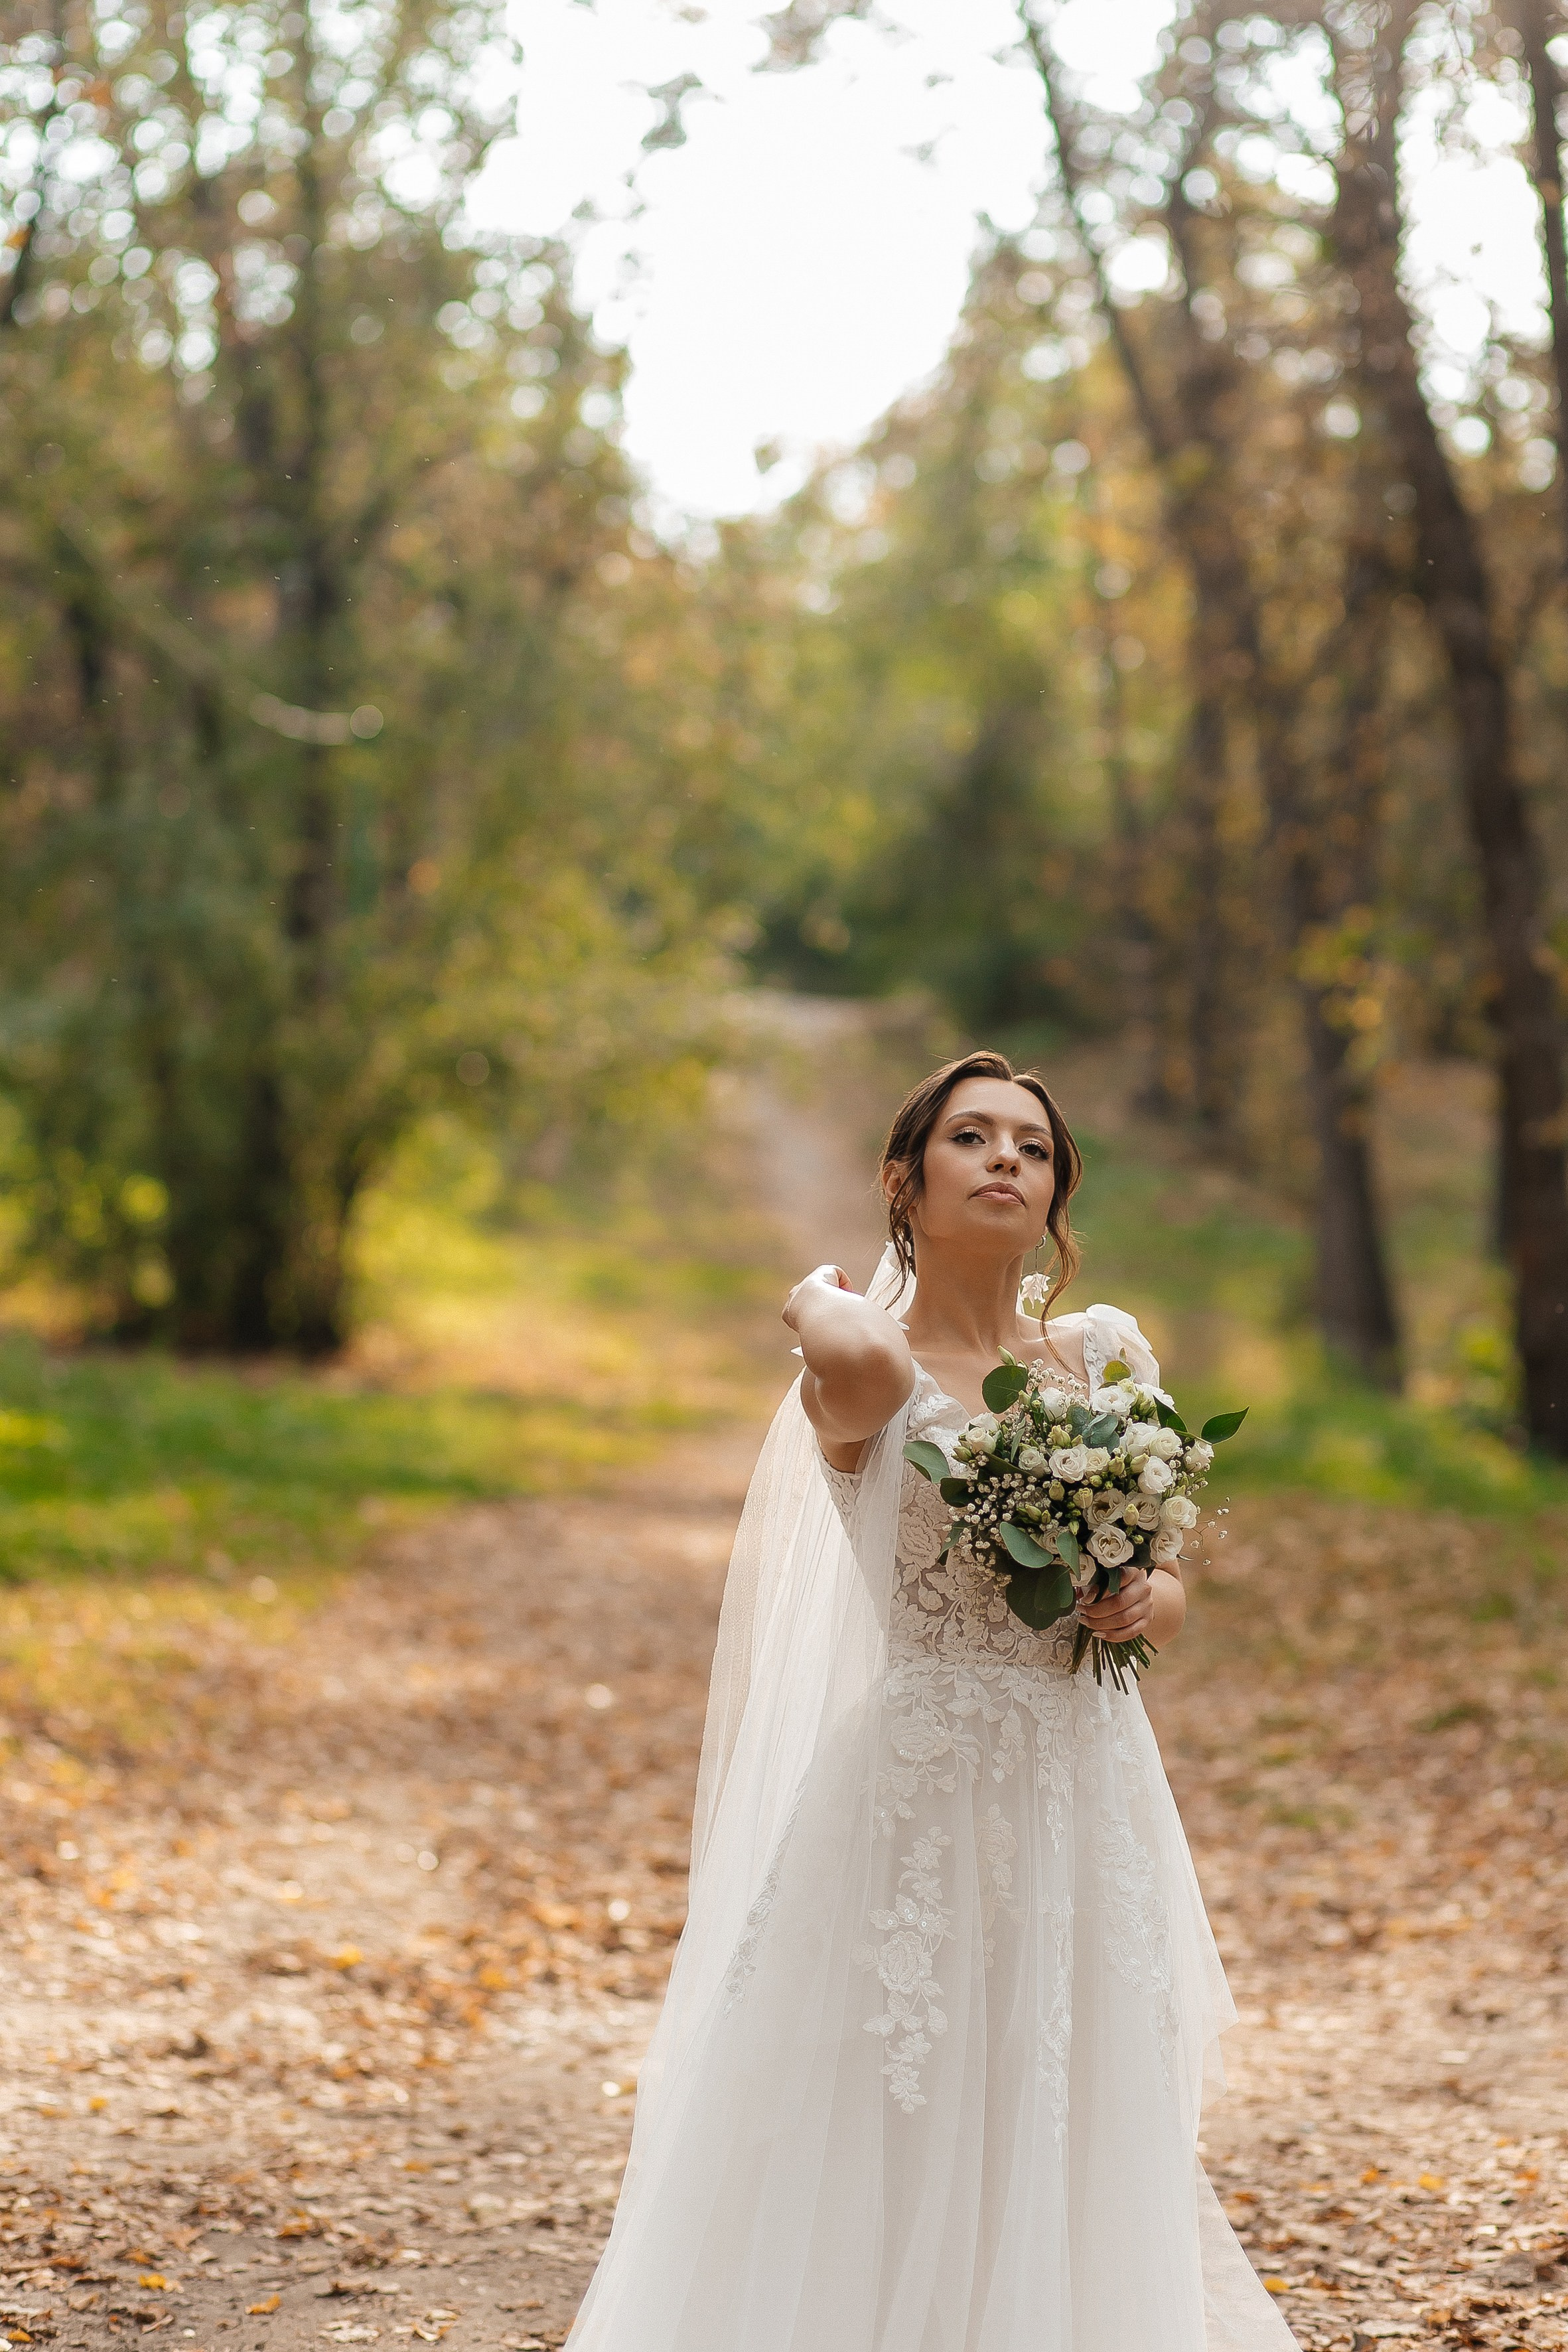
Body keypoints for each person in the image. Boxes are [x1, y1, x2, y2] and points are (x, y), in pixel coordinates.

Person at [566, 1051, 1298, 2351]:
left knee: (1062, 2097)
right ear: (907, 1178)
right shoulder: (869, 1373)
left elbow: (1168, 1583)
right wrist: (814, 1290)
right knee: (900, 2100)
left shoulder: (1106, 1352)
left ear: (1059, 1185)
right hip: (917, 1788)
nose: (1009, 1156)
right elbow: (845, 1339)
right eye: (972, 1136)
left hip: (1085, 1775)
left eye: (1032, 1141)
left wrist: (1138, 1602)